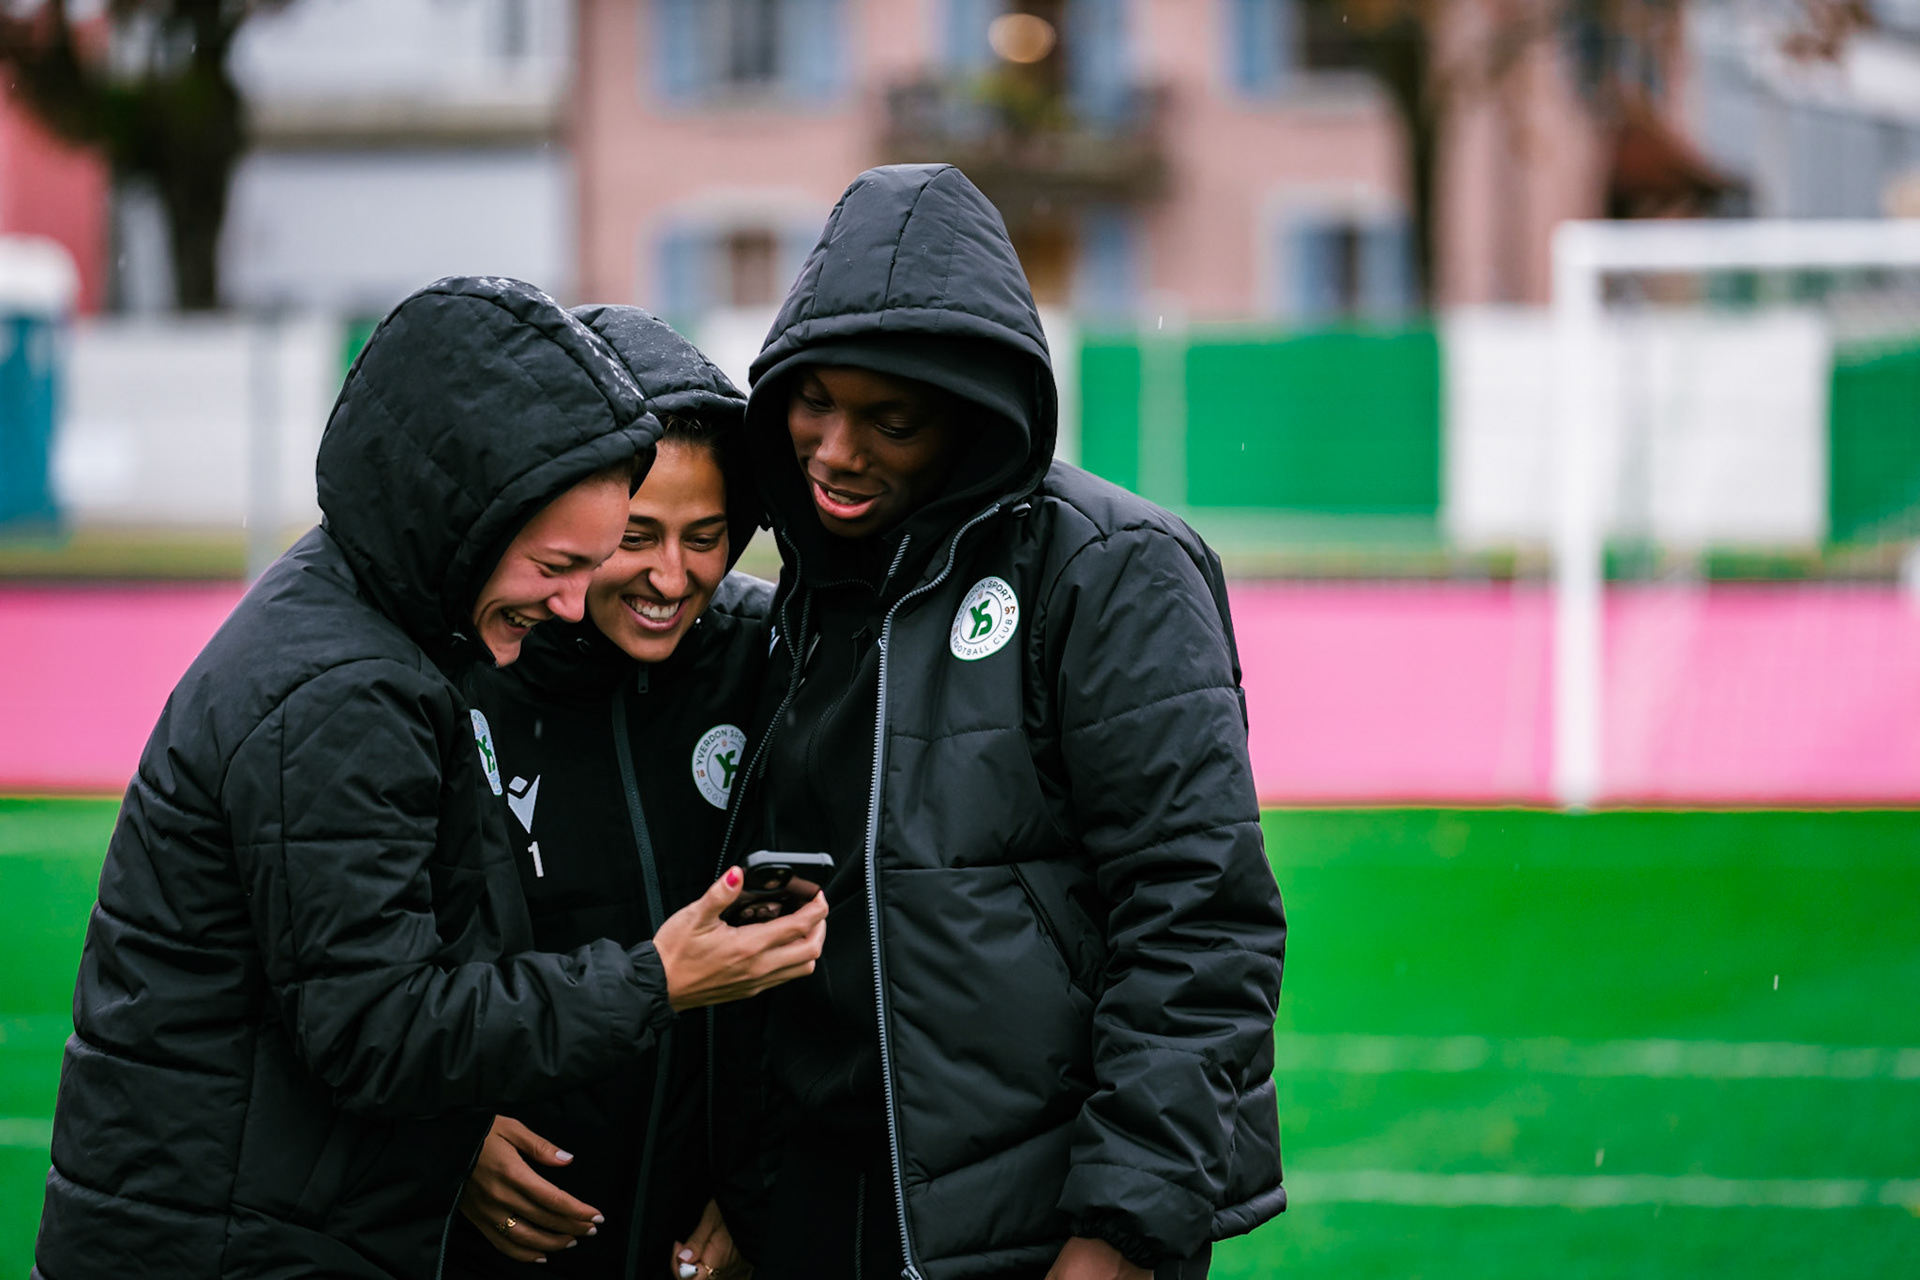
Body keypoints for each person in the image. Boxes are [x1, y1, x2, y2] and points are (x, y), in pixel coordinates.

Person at [32, 277, 824, 1280]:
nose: (584, 599)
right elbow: (380, 1021)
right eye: (568, 558)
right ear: (477, 515)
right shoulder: (355, 685)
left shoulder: (392, 634)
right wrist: (655, 978)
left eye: (703, 536)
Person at [727, 165, 1289, 1280]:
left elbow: (1200, 920)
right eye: (815, 401)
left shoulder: (1111, 568)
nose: (836, 451)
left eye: (891, 419)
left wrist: (1123, 1224)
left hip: (1037, 1235)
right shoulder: (800, 590)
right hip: (820, 1209)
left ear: (974, 415)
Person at [445, 305, 772, 1280]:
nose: (672, 576)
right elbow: (372, 971)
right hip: (507, 1239)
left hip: (702, 1239)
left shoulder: (774, 658)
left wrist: (766, 1180)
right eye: (635, 536)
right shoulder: (461, 676)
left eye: (707, 535)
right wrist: (446, 1137)